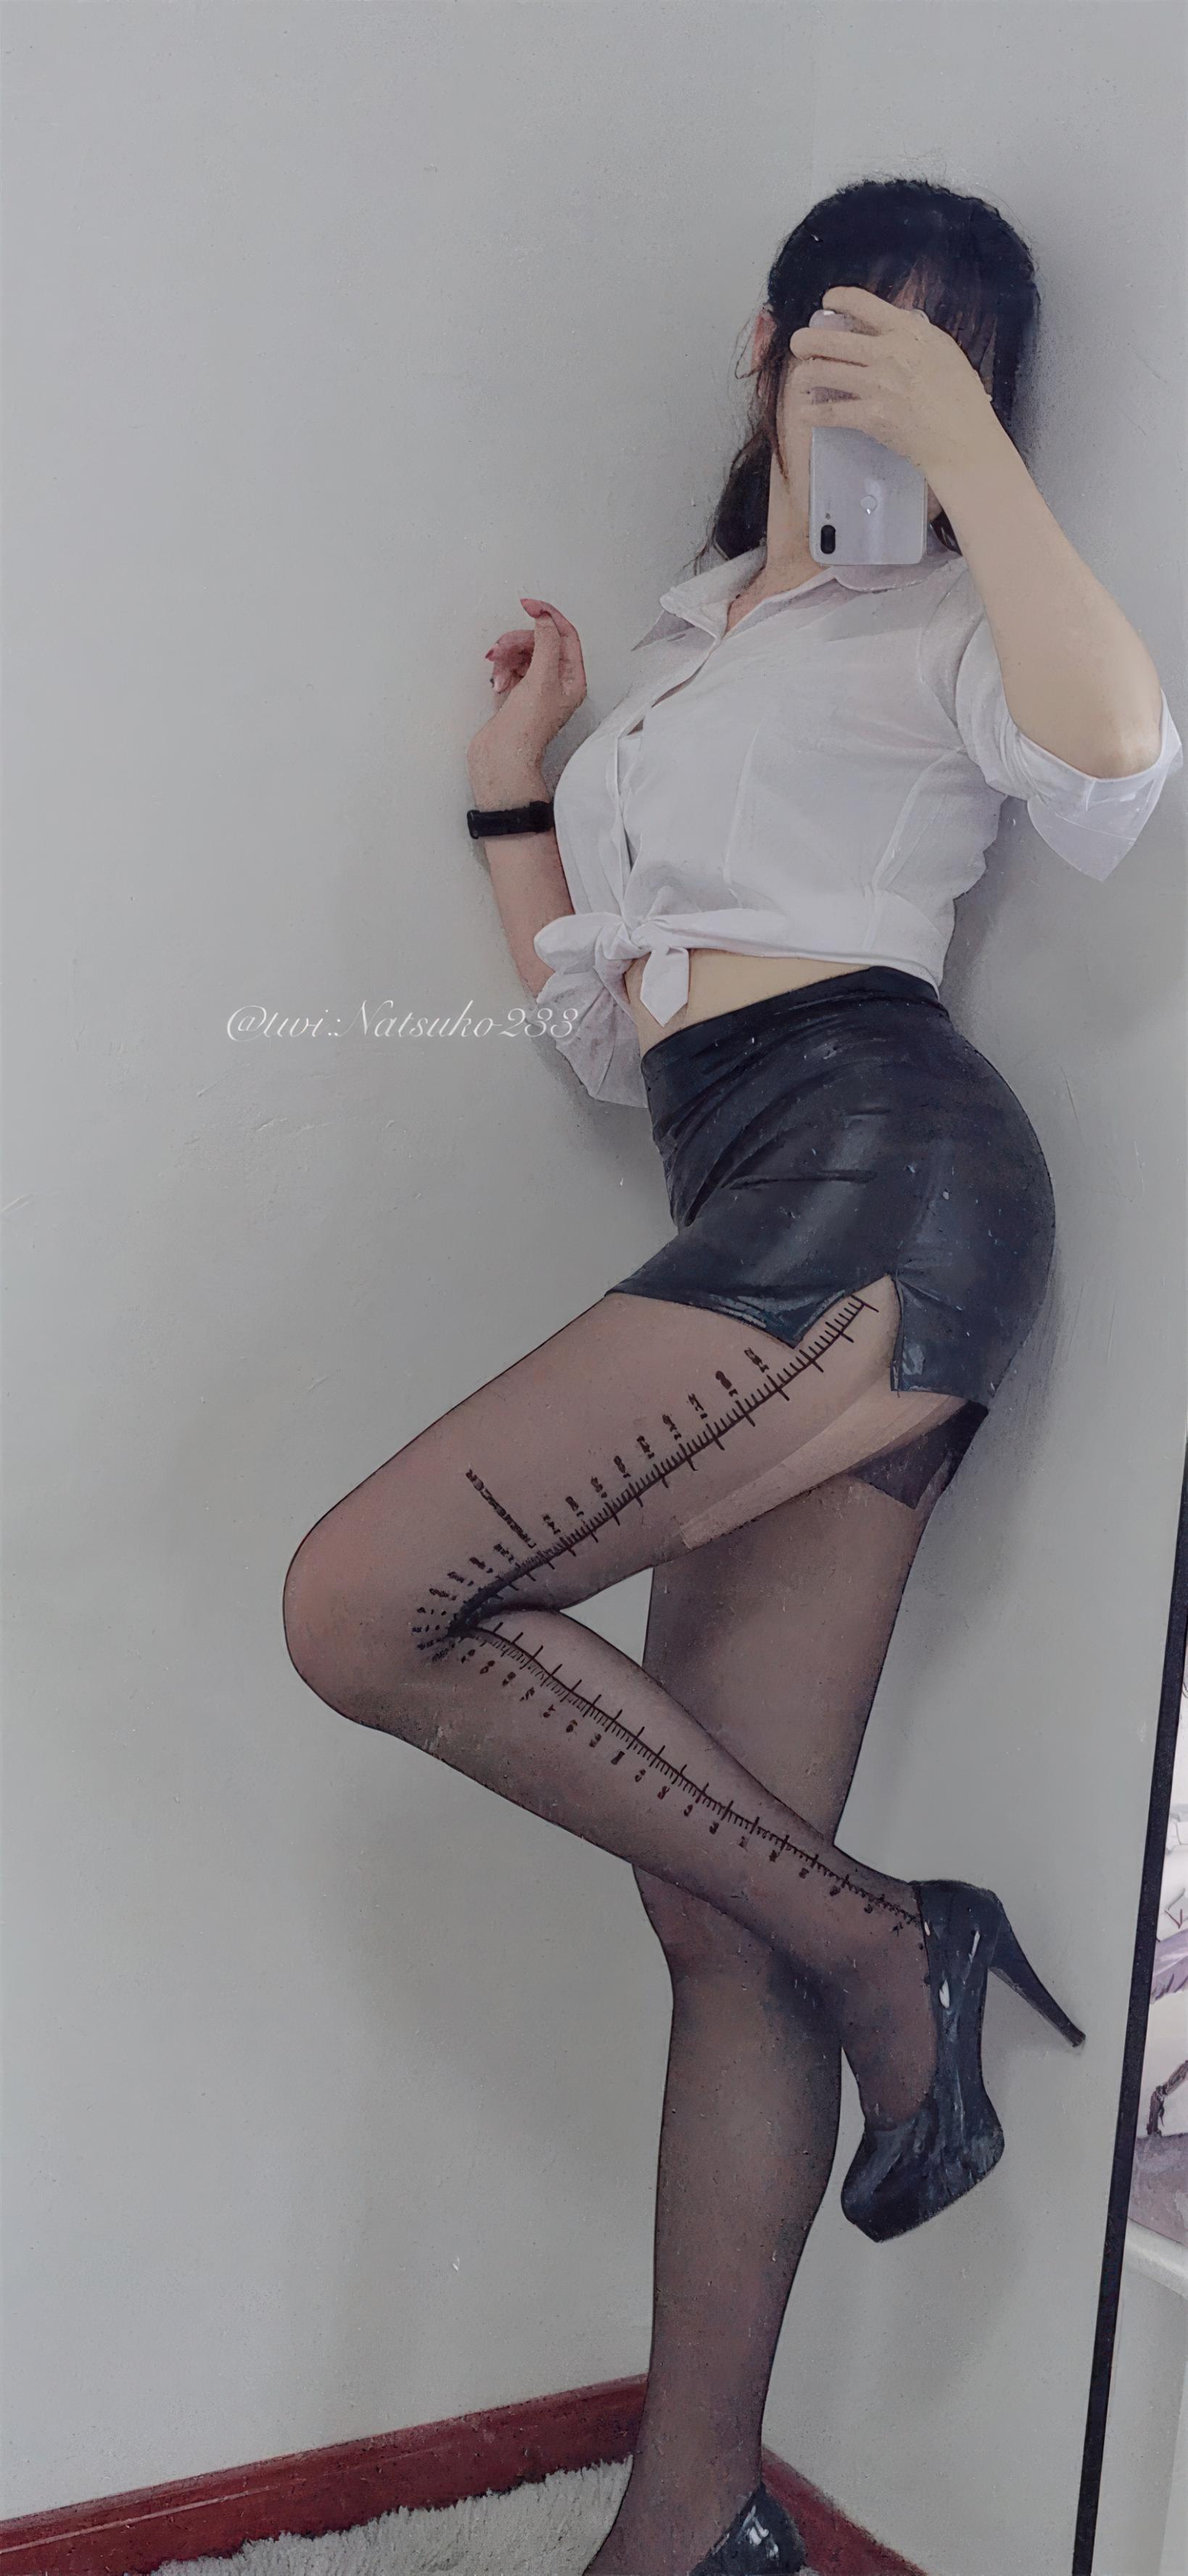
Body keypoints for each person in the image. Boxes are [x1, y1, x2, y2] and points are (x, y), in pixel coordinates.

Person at [281, 178, 1183, 2576]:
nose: (886, 369)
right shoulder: (699, 639)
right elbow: (612, 1032)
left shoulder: (960, 614)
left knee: (366, 1602)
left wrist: (970, 465)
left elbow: (1120, 759)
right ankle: (691, 2529)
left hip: (895, 1173)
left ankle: (895, 1941)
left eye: (953, 351)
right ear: (774, 344)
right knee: (721, 1917)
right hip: (740, 1170)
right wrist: (518, 785)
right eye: (858, 330)